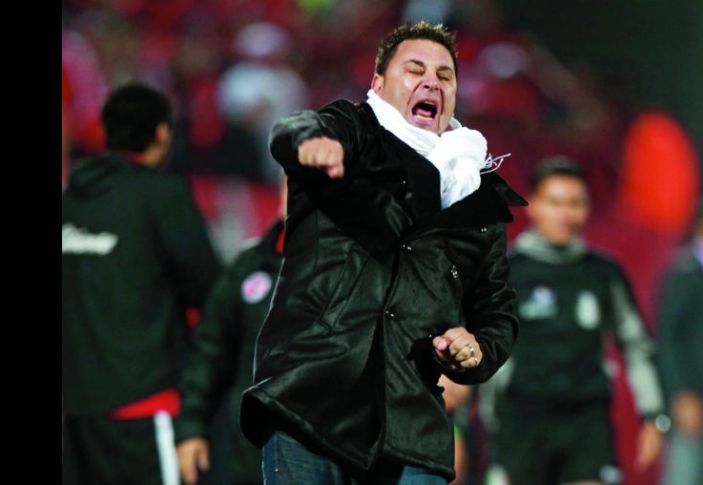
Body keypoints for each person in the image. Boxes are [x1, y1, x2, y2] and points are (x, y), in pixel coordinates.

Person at [239, 21, 527, 485]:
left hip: (410, 429)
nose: (432, 81)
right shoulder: (349, 134)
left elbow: (496, 309)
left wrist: (478, 348)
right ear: (378, 83)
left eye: (445, 75)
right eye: (415, 69)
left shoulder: (477, 196)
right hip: (312, 407)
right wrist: (312, 143)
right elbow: (295, 127)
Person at [62, 82, 222, 485]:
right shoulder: (160, 195)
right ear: (162, 133)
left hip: (75, 412)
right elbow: (211, 290)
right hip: (145, 402)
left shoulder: (69, 200)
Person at [484, 157, 667, 485]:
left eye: (576, 203)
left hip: (586, 423)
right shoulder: (507, 271)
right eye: (555, 203)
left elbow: (636, 345)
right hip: (522, 421)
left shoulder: (603, 273)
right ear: (533, 206)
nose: (566, 214)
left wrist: (653, 416)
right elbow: (478, 350)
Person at [175, 180, 288, 485]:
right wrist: (191, 429)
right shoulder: (249, 265)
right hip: (249, 453)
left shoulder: (351, 265)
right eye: (290, 183)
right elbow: (210, 349)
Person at [657, 194, 703, 485]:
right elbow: (668, 340)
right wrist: (681, 392)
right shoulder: (684, 273)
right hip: (694, 396)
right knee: (686, 472)